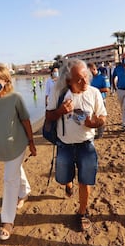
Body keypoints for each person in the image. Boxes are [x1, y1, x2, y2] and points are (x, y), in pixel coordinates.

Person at [0, 63, 37, 241]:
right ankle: (25, 191)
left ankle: (7, 221)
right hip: (0, 148)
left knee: (9, 179)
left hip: (17, 145)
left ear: (5, 80)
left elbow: (25, 121)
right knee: (14, 170)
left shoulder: (15, 98)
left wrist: (32, 143)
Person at [45, 58, 107, 231]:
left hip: (86, 145)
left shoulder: (94, 93)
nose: (85, 81)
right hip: (64, 145)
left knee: (85, 181)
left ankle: (82, 212)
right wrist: (60, 111)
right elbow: (49, 116)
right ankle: (68, 183)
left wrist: (94, 123)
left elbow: (102, 116)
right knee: (64, 177)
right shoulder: (59, 93)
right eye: (79, 78)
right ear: (68, 80)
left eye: (86, 76)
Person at [88, 62, 110, 138]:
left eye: (90, 71)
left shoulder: (103, 77)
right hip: (91, 101)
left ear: (94, 69)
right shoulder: (89, 78)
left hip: (101, 100)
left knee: (101, 116)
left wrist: (95, 91)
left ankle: (100, 133)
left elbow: (107, 89)